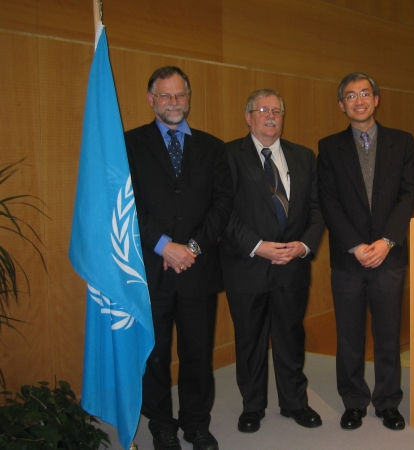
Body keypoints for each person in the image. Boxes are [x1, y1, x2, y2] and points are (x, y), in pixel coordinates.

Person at [125, 66, 232, 450]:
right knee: (154, 355)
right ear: (151, 99)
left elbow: (222, 204)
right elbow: (127, 203)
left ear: (189, 98)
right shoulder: (129, 144)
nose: (174, 103)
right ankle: (162, 425)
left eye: (180, 95)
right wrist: (164, 245)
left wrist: (193, 248)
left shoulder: (212, 146)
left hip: (197, 268)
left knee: (197, 352)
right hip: (150, 269)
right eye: (166, 96)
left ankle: (196, 423)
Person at [317, 73, 414, 431]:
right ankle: (354, 402)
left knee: (389, 333)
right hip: (349, 259)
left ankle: (388, 402)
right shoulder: (329, 147)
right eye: (350, 96)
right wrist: (358, 245)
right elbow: (328, 201)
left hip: (389, 257)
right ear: (341, 105)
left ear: (377, 99)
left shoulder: (402, 143)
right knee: (349, 335)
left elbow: (408, 195)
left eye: (364, 94)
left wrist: (387, 242)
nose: (358, 101)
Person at [220, 89, 324, 433]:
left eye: (277, 111)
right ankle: (253, 407)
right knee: (249, 339)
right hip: (246, 266)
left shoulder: (305, 157)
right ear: (248, 116)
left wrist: (304, 246)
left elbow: (316, 210)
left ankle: (295, 402)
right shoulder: (228, 156)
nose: (270, 116)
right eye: (262, 110)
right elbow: (223, 212)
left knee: (291, 339)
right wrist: (257, 246)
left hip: (292, 266)